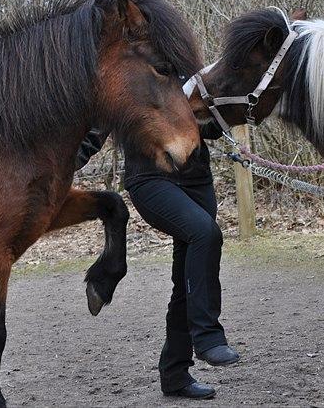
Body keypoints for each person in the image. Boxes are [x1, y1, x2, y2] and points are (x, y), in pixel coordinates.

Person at [75, 119, 239, 400]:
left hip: (198, 180)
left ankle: (175, 374)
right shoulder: (131, 75)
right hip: (151, 179)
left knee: (187, 279)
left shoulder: (193, 74)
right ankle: (208, 335)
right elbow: (98, 124)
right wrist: (59, 164)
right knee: (205, 234)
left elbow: (209, 126)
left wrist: (224, 114)